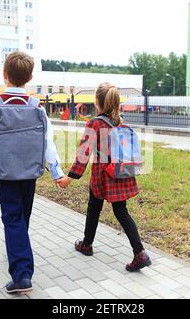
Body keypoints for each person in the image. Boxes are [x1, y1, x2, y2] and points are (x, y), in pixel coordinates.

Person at [0, 51, 65, 294]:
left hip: (4, 173)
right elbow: (48, 142)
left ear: (4, 75)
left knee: (13, 219)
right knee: (21, 217)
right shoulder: (36, 106)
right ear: (30, 77)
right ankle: (18, 252)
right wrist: (56, 172)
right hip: (29, 172)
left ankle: (22, 274)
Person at [57, 82, 151, 272]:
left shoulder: (95, 123)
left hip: (102, 175)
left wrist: (70, 177)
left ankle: (86, 244)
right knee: (121, 211)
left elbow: (84, 154)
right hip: (120, 173)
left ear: (97, 102)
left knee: (94, 208)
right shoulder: (120, 122)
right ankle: (139, 253)